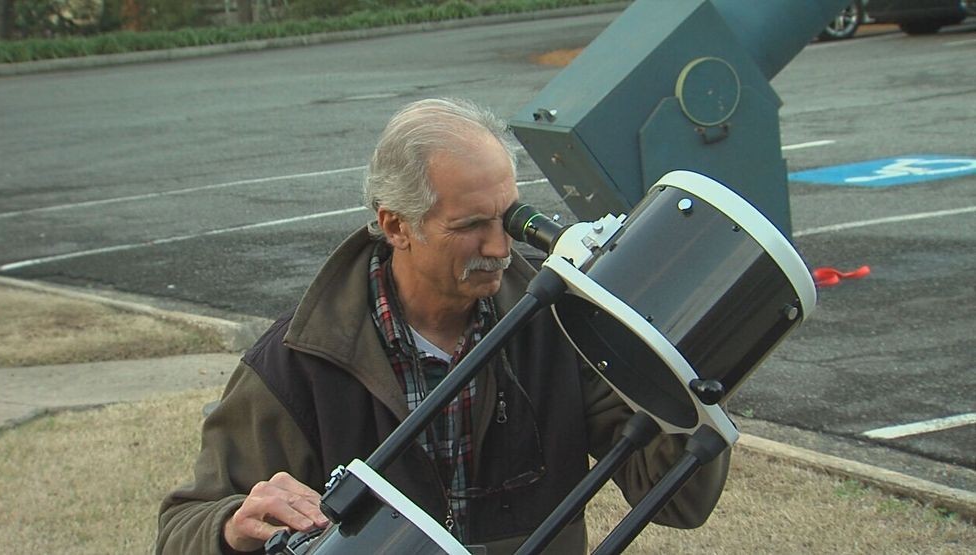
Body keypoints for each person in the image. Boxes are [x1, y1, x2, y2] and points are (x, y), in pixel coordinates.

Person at [156, 98, 729, 554]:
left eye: (507, 216)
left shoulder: (558, 328)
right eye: (472, 225)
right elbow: (182, 527)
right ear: (396, 225)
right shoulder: (299, 359)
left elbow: (676, 499)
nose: (502, 247)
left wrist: (683, 370)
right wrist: (232, 526)